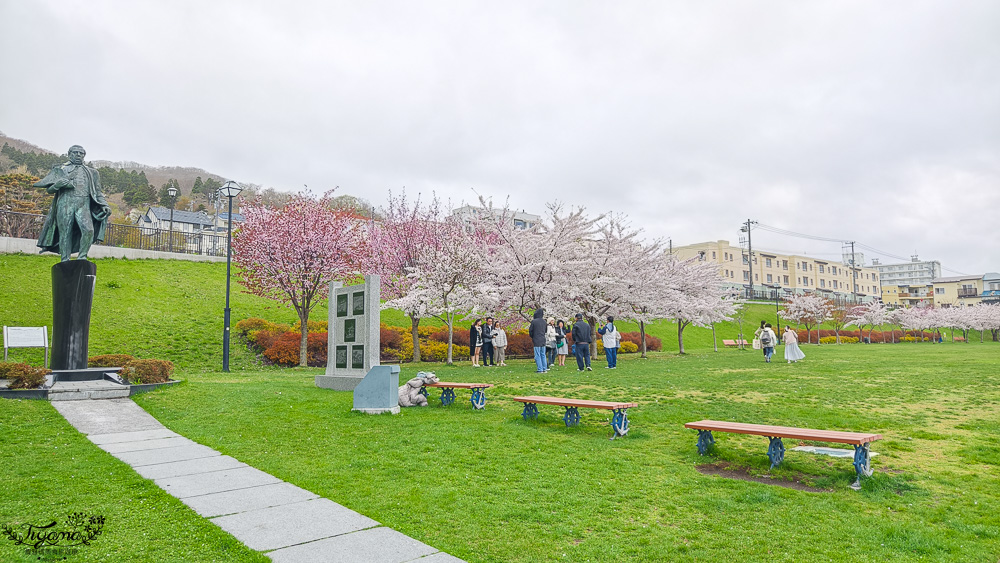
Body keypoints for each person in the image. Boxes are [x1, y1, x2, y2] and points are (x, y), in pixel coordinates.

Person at [35, 145, 112, 262]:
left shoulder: (92, 173)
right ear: (69, 154)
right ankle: (65, 259)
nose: (78, 155)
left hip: (83, 205)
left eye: (81, 153)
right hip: (65, 204)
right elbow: (49, 190)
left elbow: (98, 192)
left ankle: (82, 257)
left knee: (88, 230)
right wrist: (57, 185)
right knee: (65, 232)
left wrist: (104, 205)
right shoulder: (60, 169)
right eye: (75, 152)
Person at [528, 308, 548, 372]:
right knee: (543, 354)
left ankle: (540, 369)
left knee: (537, 355)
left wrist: (532, 336)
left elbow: (531, 331)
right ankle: (544, 368)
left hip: (536, 339)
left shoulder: (534, 321)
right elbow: (546, 331)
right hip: (543, 339)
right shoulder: (544, 321)